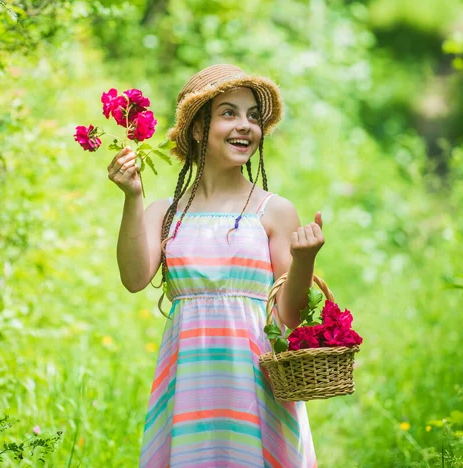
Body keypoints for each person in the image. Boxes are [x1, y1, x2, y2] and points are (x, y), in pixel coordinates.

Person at [109, 64, 323, 467]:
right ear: (197, 128)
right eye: (229, 113)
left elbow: (290, 316)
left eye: (253, 116)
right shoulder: (165, 212)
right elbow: (134, 278)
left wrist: (305, 260)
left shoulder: (274, 211)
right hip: (190, 381)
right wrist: (132, 196)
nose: (245, 125)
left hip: (255, 383)